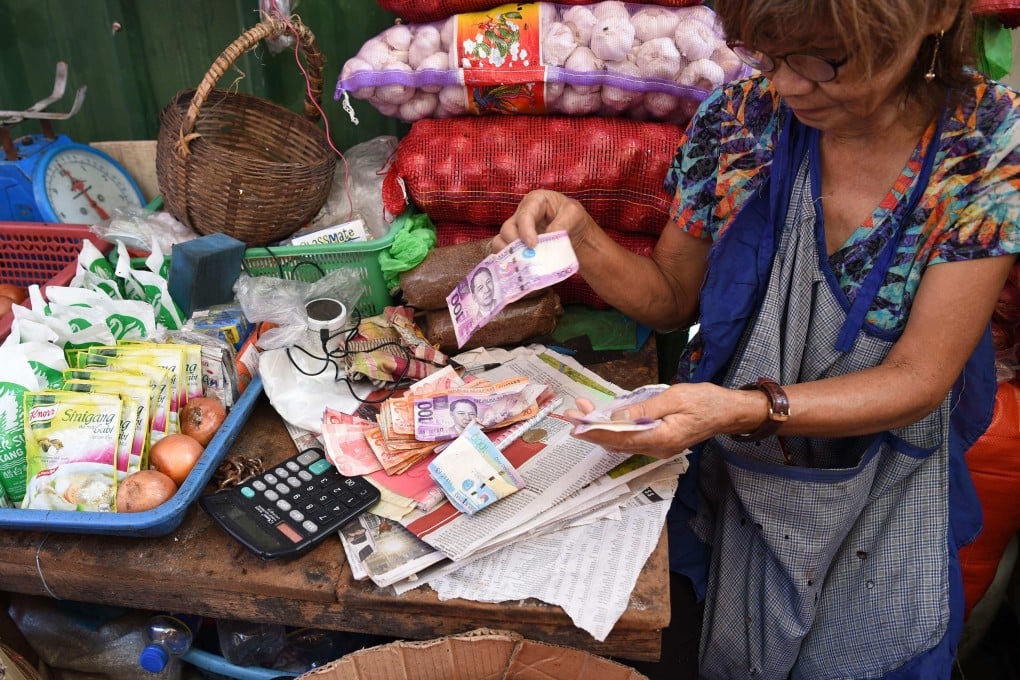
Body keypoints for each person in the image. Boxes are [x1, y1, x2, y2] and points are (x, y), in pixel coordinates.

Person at [493, 0, 1019, 677]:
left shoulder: (984, 143)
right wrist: (581, 236)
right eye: (768, 57)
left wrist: (744, 409)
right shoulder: (743, 119)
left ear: (937, 15)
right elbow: (669, 299)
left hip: (884, 492)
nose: (791, 85)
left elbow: (920, 377)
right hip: (732, 479)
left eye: (827, 59)